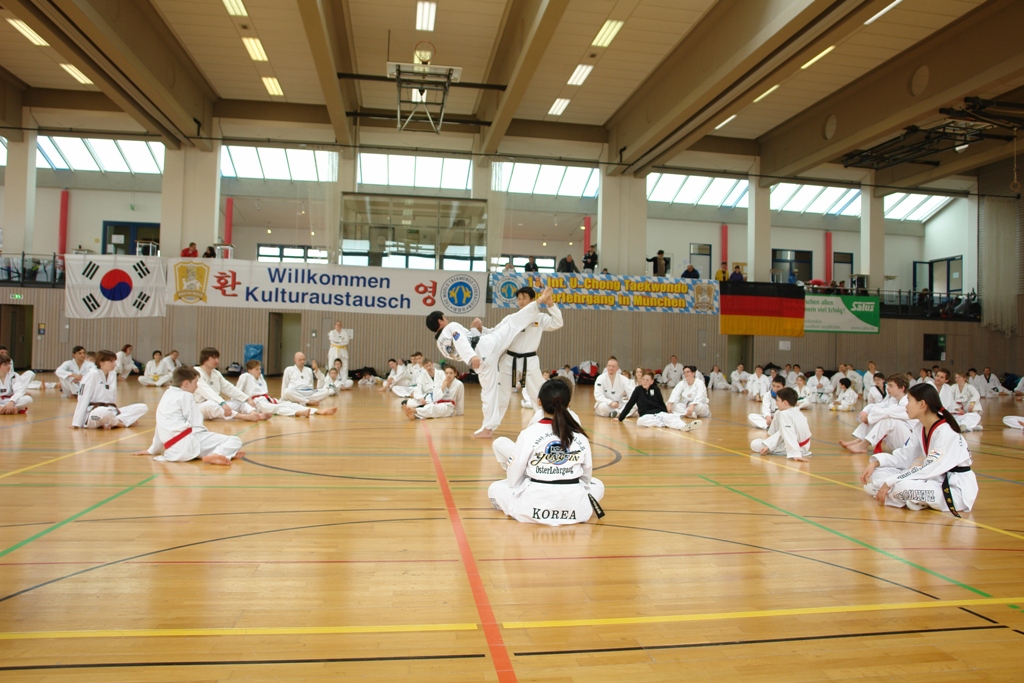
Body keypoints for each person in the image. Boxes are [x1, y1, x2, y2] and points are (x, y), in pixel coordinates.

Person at [427, 287, 553, 438]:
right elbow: (461, 341)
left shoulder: (440, 344)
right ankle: (539, 301)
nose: (446, 319)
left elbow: (464, 343)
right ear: (440, 321)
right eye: (444, 317)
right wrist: (471, 356)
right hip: (486, 347)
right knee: (512, 322)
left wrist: (474, 332)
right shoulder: (450, 326)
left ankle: (487, 428)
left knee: (489, 393)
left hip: (481, 361)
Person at [488, 378, 604, 526]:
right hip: (575, 509)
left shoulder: (529, 433)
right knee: (598, 485)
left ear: (539, 402)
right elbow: (586, 478)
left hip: (533, 508)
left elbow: (513, 480)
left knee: (495, 489)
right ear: (568, 404)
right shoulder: (580, 435)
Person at [860, 383, 977, 516]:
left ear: (922, 404)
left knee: (902, 487)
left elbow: (929, 468)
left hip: (954, 488)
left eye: (909, 400)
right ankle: (907, 498)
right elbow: (905, 456)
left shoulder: (945, 431)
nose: (906, 405)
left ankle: (893, 493)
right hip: (933, 478)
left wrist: (890, 482)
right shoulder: (920, 427)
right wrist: (876, 462)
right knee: (878, 471)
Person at [132, 366, 243, 466]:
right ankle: (218, 454)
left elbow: (159, 426)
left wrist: (152, 450)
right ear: (186, 384)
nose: (197, 386)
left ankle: (225, 454)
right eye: (195, 383)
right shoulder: (186, 396)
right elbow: (197, 425)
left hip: (172, 449)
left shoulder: (167, 395)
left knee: (211, 442)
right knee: (234, 440)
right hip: (188, 444)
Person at [487, 286, 564, 421]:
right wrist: (480, 329)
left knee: (538, 395)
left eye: (524, 298)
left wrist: (550, 304)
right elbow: (495, 332)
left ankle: (543, 423)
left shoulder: (539, 318)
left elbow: (558, 323)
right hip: (509, 360)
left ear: (533, 300)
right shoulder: (511, 318)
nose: (521, 301)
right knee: (500, 396)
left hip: (530, 361)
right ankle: (490, 425)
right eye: (519, 299)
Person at [71, 350, 148, 429]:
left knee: (143, 407)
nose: (114, 364)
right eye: (111, 361)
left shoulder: (112, 374)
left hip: (111, 410)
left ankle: (110, 422)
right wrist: (76, 423)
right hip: (95, 413)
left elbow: (112, 398)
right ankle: (120, 423)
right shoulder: (92, 374)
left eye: (114, 361)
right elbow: (83, 399)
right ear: (101, 363)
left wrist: (114, 412)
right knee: (103, 412)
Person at [840, 374, 913, 454]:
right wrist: (864, 412)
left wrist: (869, 417)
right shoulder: (893, 400)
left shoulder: (907, 402)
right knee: (878, 416)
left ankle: (863, 445)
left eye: (891, 386)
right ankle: (858, 441)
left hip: (909, 441)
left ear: (902, 388)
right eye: (888, 385)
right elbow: (875, 406)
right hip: (897, 439)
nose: (887, 388)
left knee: (887, 419)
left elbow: (886, 412)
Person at [195, 347, 270, 421]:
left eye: (218, 358)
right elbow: (207, 391)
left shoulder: (216, 373)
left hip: (217, 403)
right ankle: (243, 417)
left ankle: (254, 414)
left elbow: (229, 388)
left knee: (240, 400)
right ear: (205, 359)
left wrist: (247, 398)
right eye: (214, 358)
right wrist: (222, 403)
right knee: (209, 405)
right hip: (200, 406)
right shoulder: (196, 373)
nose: (217, 361)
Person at [237, 360, 334, 417]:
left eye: (259, 369)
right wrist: (247, 400)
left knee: (289, 404)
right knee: (277, 408)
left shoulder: (261, 377)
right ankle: (298, 413)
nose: (259, 371)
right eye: (256, 369)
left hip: (266, 399)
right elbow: (237, 391)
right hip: (257, 403)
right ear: (249, 370)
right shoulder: (245, 376)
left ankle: (316, 411)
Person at [618, 371, 700, 431]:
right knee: (640, 421)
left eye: (647, 380)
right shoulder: (638, 390)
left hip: (659, 413)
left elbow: (661, 402)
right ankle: (663, 423)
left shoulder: (656, 389)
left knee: (671, 417)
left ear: (652, 381)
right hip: (647, 415)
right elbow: (630, 403)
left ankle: (684, 426)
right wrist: (621, 418)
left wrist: (666, 413)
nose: (644, 382)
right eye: (643, 379)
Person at [750, 388, 810, 461]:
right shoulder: (796, 411)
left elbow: (789, 433)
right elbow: (783, 431)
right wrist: (770, 444)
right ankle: (771, 442)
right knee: (778, 412)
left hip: (797, 447)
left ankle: (775, 445)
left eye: (777, 400)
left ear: (785, 403)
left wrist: (795, 454)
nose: (776, 403)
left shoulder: (785, 414)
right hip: (804, 445)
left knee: (754, 444)